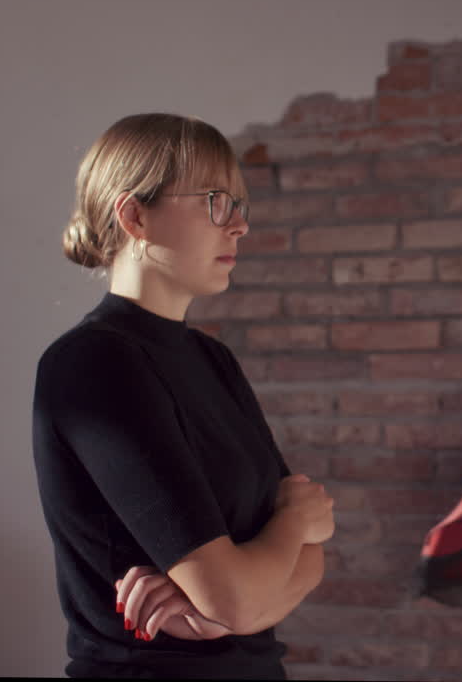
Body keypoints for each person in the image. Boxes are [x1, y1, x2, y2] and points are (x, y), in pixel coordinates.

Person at [32, 113, 333, 679]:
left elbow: (312, 560)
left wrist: (229, 607)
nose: (239, 225)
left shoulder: (213, 361)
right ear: (135, 215)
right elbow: (291, 544)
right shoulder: (94, 365)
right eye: (217, 201)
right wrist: (289, 528)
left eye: (240, 205)